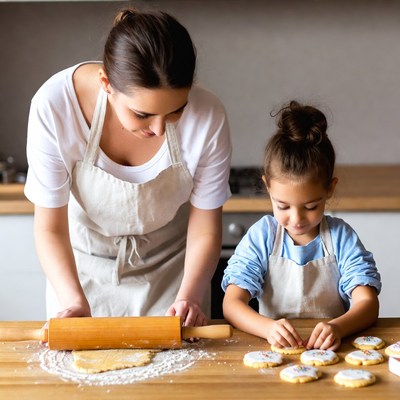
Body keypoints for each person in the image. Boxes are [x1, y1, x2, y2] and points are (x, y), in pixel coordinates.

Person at [24, 8, 231, 327]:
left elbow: (205, 227)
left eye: (176, 111)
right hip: (82, 276)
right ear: (106, 84)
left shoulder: (208, 116)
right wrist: (74, 301)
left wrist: (188, 297)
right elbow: (49, 227)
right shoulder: (55, 106)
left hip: (174, 279)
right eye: (142, 114)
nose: (160, 130)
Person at [222, 101, 381, 351]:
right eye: (283, 206)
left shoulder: (340, 237)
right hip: (274, 352)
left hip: (330, 353)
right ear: (268, 187)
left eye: (310, 207)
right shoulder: (263, 236)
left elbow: (368, 304)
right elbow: (232, 304)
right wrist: (267, 328)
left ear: (329, 189)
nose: (296, 219)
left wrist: (338, 327)